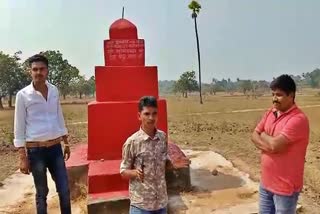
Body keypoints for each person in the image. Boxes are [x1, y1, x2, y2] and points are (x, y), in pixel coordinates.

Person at [14, 54, 71, 214]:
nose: (38, 72)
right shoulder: (23, 95)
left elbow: (58, 116)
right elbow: (19, 127)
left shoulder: (53, 90)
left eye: (42, 69)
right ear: (30, 72)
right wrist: (22, 157)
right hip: (36, 151)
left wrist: (65, 141)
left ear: (47, 70)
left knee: (65, 189)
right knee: (42, 193)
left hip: (55, 149)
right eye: (35, 69)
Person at [120, 96, 189, 214]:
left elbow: (165, 163)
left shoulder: (162, 137)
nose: (151, 118)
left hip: (161, 203)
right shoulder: (132, 142)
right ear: (139, 116)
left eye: (154, 113)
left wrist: (173, 164)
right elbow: (123, 172)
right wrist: (135, 173)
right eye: (146, 114)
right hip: (141, 205)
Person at [251, 74, 309, 214]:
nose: (274, 99)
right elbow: (253, 135)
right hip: (266, 183)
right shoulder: (271, 113)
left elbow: (274, 146)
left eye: (279, 95)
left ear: (291, 95)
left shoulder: (297, 119)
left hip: (285, 188)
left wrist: (263, 134)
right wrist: (270, 143)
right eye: (273, 94)